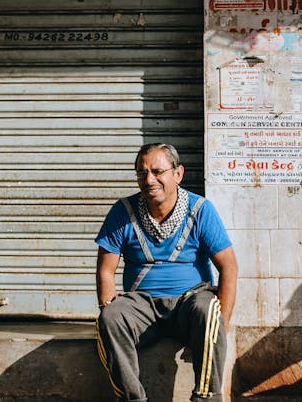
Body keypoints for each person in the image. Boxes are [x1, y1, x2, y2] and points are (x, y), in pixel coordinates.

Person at [94, 143, 239, 402]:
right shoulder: (123, 212)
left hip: (190, 304)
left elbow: (228, 267)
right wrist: (108, 306)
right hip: (143, 306)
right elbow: (106, 270)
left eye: (157, 171)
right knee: (110, 317)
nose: (149, 180)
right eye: (142, 173)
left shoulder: (200, 210)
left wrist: (219, 329)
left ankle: (205, 398)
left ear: (178, 174)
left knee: (209, 310)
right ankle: (132, 398)